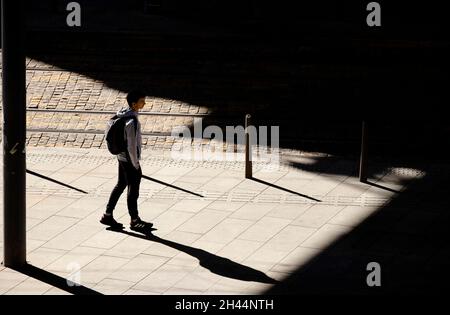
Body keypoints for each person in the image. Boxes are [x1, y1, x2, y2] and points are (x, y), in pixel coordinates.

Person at [100, 90, 152, 230]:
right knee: (133, 190)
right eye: (142, 101)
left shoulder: (120, 114)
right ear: (134, 104)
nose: (144, 103)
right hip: (129, 160)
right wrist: (136, 165)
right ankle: (135, 220)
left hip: (121, 157)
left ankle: (107, 215)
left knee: (121, 184)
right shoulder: (132, 122)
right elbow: (131, 145)